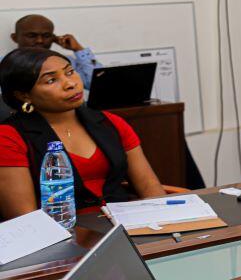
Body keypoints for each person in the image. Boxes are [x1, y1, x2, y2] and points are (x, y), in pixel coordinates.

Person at [0, 48, 166, 219]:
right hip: (62, 235)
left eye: (70, 72)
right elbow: (23, 217)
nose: (70, 84)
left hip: (126, 225)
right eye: (51, 80)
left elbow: (148, 184)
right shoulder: (8, 137)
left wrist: (168, 225)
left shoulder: (110, 123)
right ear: (24, 95)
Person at [10, 15, 101, 90]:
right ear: (14, 38)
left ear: (53, 38)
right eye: (31, 36)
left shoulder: (66, 62)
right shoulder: (5, 64)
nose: (40, 40)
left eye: (46, 36)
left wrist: (78, 49)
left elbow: (97, 85)